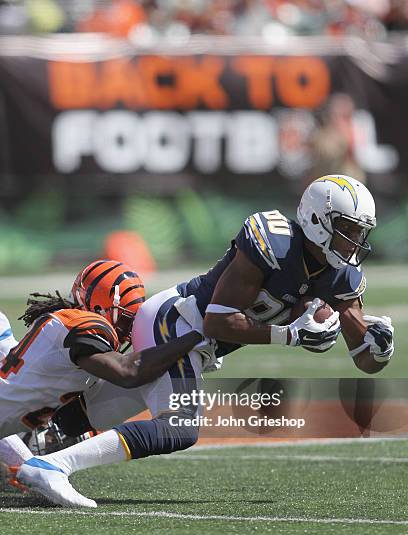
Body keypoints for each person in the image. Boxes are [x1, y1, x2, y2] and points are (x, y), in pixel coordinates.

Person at [8, 175, 395, 508]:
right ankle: (53, 467)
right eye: (349, 229)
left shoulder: (343, 277)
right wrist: (290, 334)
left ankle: (27, 448)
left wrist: (377, 347)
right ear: (318, 220)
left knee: (83, 419)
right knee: (179, 427)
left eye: (361, 232)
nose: (355, 241)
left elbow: (364, 354)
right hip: (176, 322)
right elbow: (218, 321)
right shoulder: (274, 242)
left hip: (198, 345)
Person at [0, 259, 209, 507]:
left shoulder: (64, 325)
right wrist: (194, 336)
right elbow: (128, 372)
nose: (128, 331)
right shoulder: (80, 324)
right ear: (103, 305)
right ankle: (42, 463)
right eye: (125, 321)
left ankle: (39, 455)